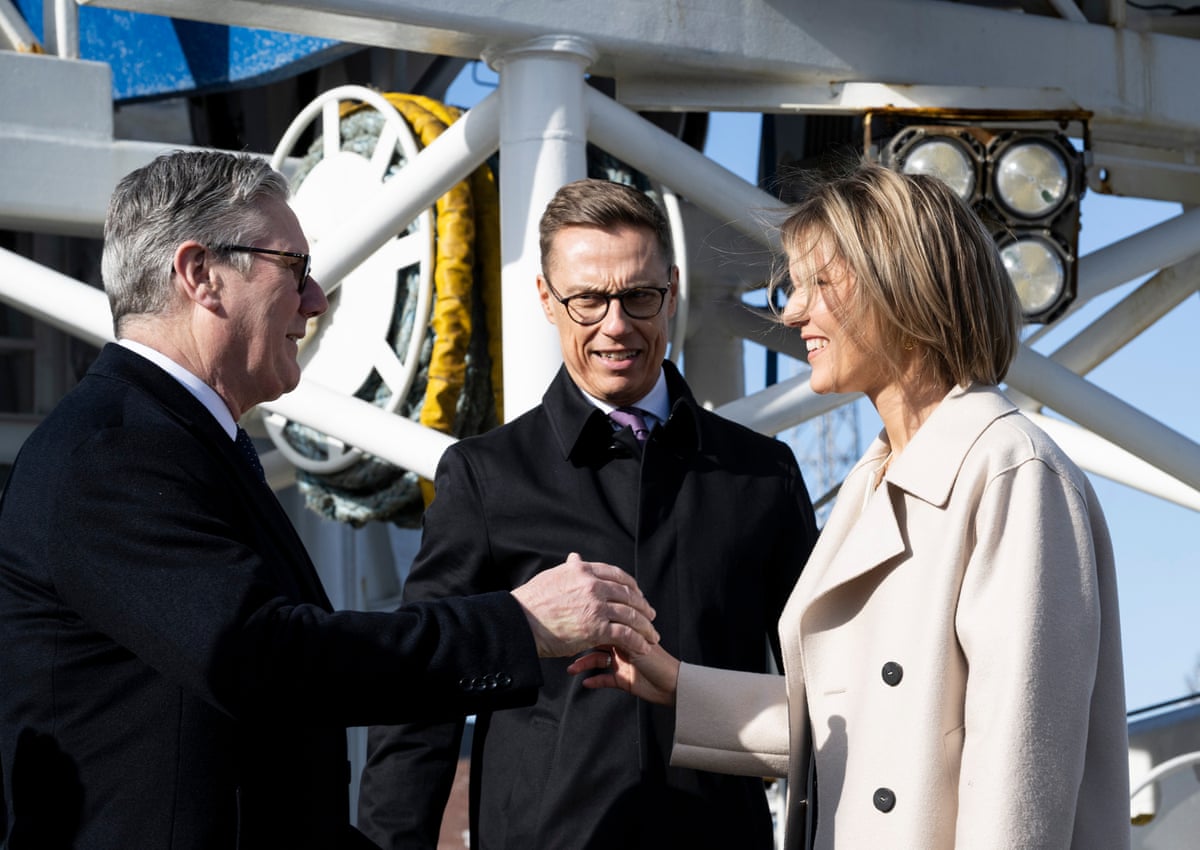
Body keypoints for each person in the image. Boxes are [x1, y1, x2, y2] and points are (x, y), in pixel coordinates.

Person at [0, 151, 660, 850]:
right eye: (294, 269)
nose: (316, 300)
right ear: (200, 275)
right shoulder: (114, 453)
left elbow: (251, 757)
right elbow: (266, 661)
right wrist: (518, 624)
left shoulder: (171, 443)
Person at [573, 161, 1131, 850]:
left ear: (903, 287)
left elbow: (1017, 774)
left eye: (819, 285)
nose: (791, 311)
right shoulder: (873, 485)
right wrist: (678, 684)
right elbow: (865, 729)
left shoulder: (1012, 472)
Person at [356, 178, 819, 849]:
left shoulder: (762, 476)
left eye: (638, 296)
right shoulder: (487, 478)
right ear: (547, 300)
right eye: (588, 301)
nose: (616, 324)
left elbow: (825, 684)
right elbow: (423, 698)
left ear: (673, 288)